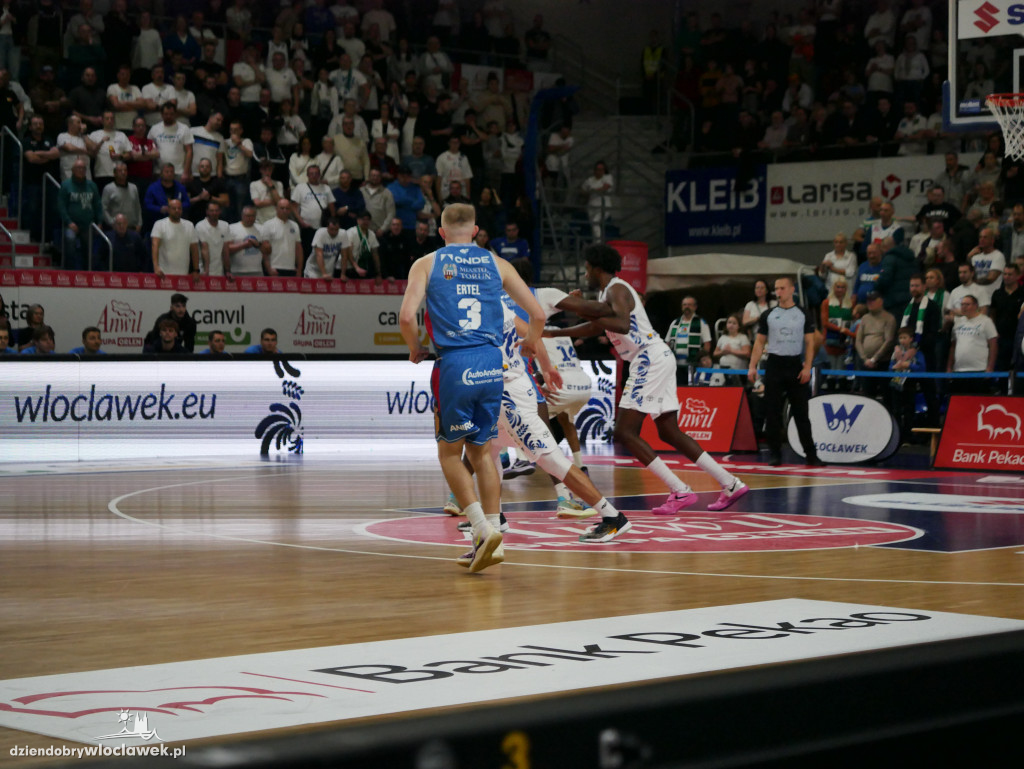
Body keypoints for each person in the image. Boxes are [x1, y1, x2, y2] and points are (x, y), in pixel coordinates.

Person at [398, 203, 545, 572]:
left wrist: (415, 348)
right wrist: (532, 343)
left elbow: (405, 316)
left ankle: (480, 528)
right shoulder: (498, 263)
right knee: (482, 452)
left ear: (441, 231)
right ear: (477, 231)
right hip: (492, 363)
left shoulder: (427, 263)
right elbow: (538, 315)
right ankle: (493, 535)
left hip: (455, 362)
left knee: (449, 453)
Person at [558, 244, 749, 512]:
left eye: (588, 268)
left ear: (596, 267)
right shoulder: (608, 292)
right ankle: (730, 483)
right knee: (668, 431)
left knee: (624, 432)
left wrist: (580, 309)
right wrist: (556, 332)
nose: (585, 273)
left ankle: (680, 490)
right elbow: (597, 325)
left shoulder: (617, 288)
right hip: (657, 357)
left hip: (647, 358)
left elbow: (622, 325)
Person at [748, 276, 823, 466]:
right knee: (772, 412)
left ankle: (811, 455)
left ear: (791, 290)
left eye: (782, 288)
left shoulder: (803, 313)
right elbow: (759, 341)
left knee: (801, 413)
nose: (778, 292)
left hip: (794, 364)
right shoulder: (769, 314)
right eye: (776, 289)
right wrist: (752, 365)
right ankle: (775, 453)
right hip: (774, 364)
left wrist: (807, 366)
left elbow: (809, 342)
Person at [57, 158, 103, 270]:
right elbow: (61, 206)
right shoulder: (66, 185)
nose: (81, 170)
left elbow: (97, 204)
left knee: (89, 250)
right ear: (73, 170)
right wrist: (69, 222)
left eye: (83, 168)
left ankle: (87, 274)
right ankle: (69, 272)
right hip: (71, 224)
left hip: (88, 224)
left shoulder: (92, 185)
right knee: (70, 243)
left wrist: (100, 222)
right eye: (79, 168)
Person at [947, 294, 998, 394]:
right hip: (959, 370)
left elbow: (993, 345)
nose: (964, 307)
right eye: (962, 304)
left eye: (967, 304)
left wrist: (990, 367)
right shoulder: (958, 322)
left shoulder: (986, 321)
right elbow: (953, 346)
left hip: (979, 369)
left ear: (975, 306)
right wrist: (949, 367)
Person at [665, 295, 712, 385]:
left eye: (689, 305)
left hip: (693, 363)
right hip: (676, 364)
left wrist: (702, 361)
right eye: (684, 305)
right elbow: (668, 342)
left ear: (695, 307)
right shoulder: (675, 322)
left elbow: (707, 344)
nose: (687, 307)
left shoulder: (701, 322)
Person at [888, 326, 925, 438]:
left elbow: (922, 368)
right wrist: (895, 367)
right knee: (896, 409)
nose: (902, 340)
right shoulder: (896, 353)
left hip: (910, 383)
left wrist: (909, 365)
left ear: (911, 339)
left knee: (909, 408)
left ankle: (909, 434)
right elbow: (890, 368)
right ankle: (897, 435)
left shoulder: (917, 353)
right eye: (900, 338)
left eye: (905, 337)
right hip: (896, 383)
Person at [151, 199, 199, 278]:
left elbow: (194, 249)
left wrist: (196, 270)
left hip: (183, 273)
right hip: (163, 273)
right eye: (174, 208)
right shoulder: (159, 224)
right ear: (168, 209)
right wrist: (156, 267)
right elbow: (154, 245)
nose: (177, 210)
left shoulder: (189, 225)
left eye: (179, 208)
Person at [262, 198, 304, 277]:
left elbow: (298, 249)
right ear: (276, 209)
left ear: (290, 210)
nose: (284, 210)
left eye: (287, 208)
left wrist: (299, 269)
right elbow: (264, 250)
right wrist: (268, 269)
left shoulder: (295, 225)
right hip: (274, 268)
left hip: (291, 269)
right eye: (282, 208)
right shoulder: (268, 225)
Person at [226, 206, 266, 277]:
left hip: (257, 270)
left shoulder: (261, 229)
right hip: (237, 270)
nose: (250, 218)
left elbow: (267, 250)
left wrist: (258, 245)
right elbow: (227, 249)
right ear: (242, 216)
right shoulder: (232, 228)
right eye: (247, 216)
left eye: (252, 216)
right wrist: (244, 245)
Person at [713, 314, 752, 384]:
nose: (731, 325)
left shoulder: (743, 337)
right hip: (723, 371)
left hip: (739, 372)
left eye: (734, 323)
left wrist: (731, 351)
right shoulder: (722, 337)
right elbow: (715, 353)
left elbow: (747, 353)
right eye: (729, 322)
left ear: (739, 326)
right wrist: (723, 352)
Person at [195, 201, 231, 277]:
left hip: (220, 271)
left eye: (216, 210)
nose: (214, 213)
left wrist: (227, 271)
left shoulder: (225, 225)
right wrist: (206, 271)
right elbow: (204, 249)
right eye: (211, 211)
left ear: (220, 211)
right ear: (207, 212)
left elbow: (225, 250)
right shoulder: (200, 226)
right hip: (203, 271)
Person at [346, 210, 382, 281]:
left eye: (368, 220)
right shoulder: (351, 232)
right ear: (358, 220)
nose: (366, 222)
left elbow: (375, 255)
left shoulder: (372, 234)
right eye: (363, 219)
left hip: (364, 268)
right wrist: (357, 268)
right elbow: (348, 253)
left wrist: (378, 273)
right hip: (349, 268)